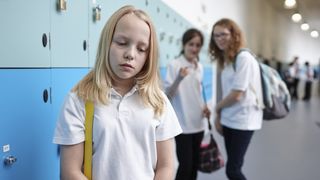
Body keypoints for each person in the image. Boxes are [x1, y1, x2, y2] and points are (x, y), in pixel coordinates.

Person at [52, 5, 182, 180]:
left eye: (141, 49)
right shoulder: (79, 99)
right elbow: (70, 172)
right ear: (107, 43)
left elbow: (166, 166)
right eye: (122, 43)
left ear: (148, 56)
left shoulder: (158, 101)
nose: (130, 54)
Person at [209, 18, 263, 180]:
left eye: (224, 34)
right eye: (216, 36)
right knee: (233, 167)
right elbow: (227, 93)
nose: (219, 39)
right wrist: (220, 117)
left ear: (234, 35)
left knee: (233, 170)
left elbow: (237, 93)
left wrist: (217, 109)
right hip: (230, 119)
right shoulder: (227, 60)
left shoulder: (243, 58)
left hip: (243, 120)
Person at [164, 28, 210, 180]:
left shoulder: (199, 66)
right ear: (184, 44)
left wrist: (205, 107)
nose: (194, 48)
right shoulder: (175, 65)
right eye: (191, 44)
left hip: (199, 123)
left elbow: (198, 91)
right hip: (183, 125)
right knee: (185, 167)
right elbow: (168, 96)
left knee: (195, 166)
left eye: (198, 45)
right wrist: (179, 78)